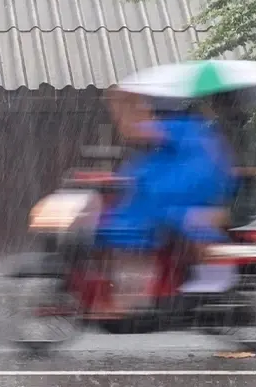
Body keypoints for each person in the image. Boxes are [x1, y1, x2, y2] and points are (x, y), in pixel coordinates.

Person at [86, 89, 238, 319]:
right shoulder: (194, 131)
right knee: (118, 222)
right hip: (169, 195)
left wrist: (120, 103)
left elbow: (135, 130)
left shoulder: (183, 127)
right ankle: (126, 293)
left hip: (180, 199)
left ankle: (131, 296)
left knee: (129, 226)